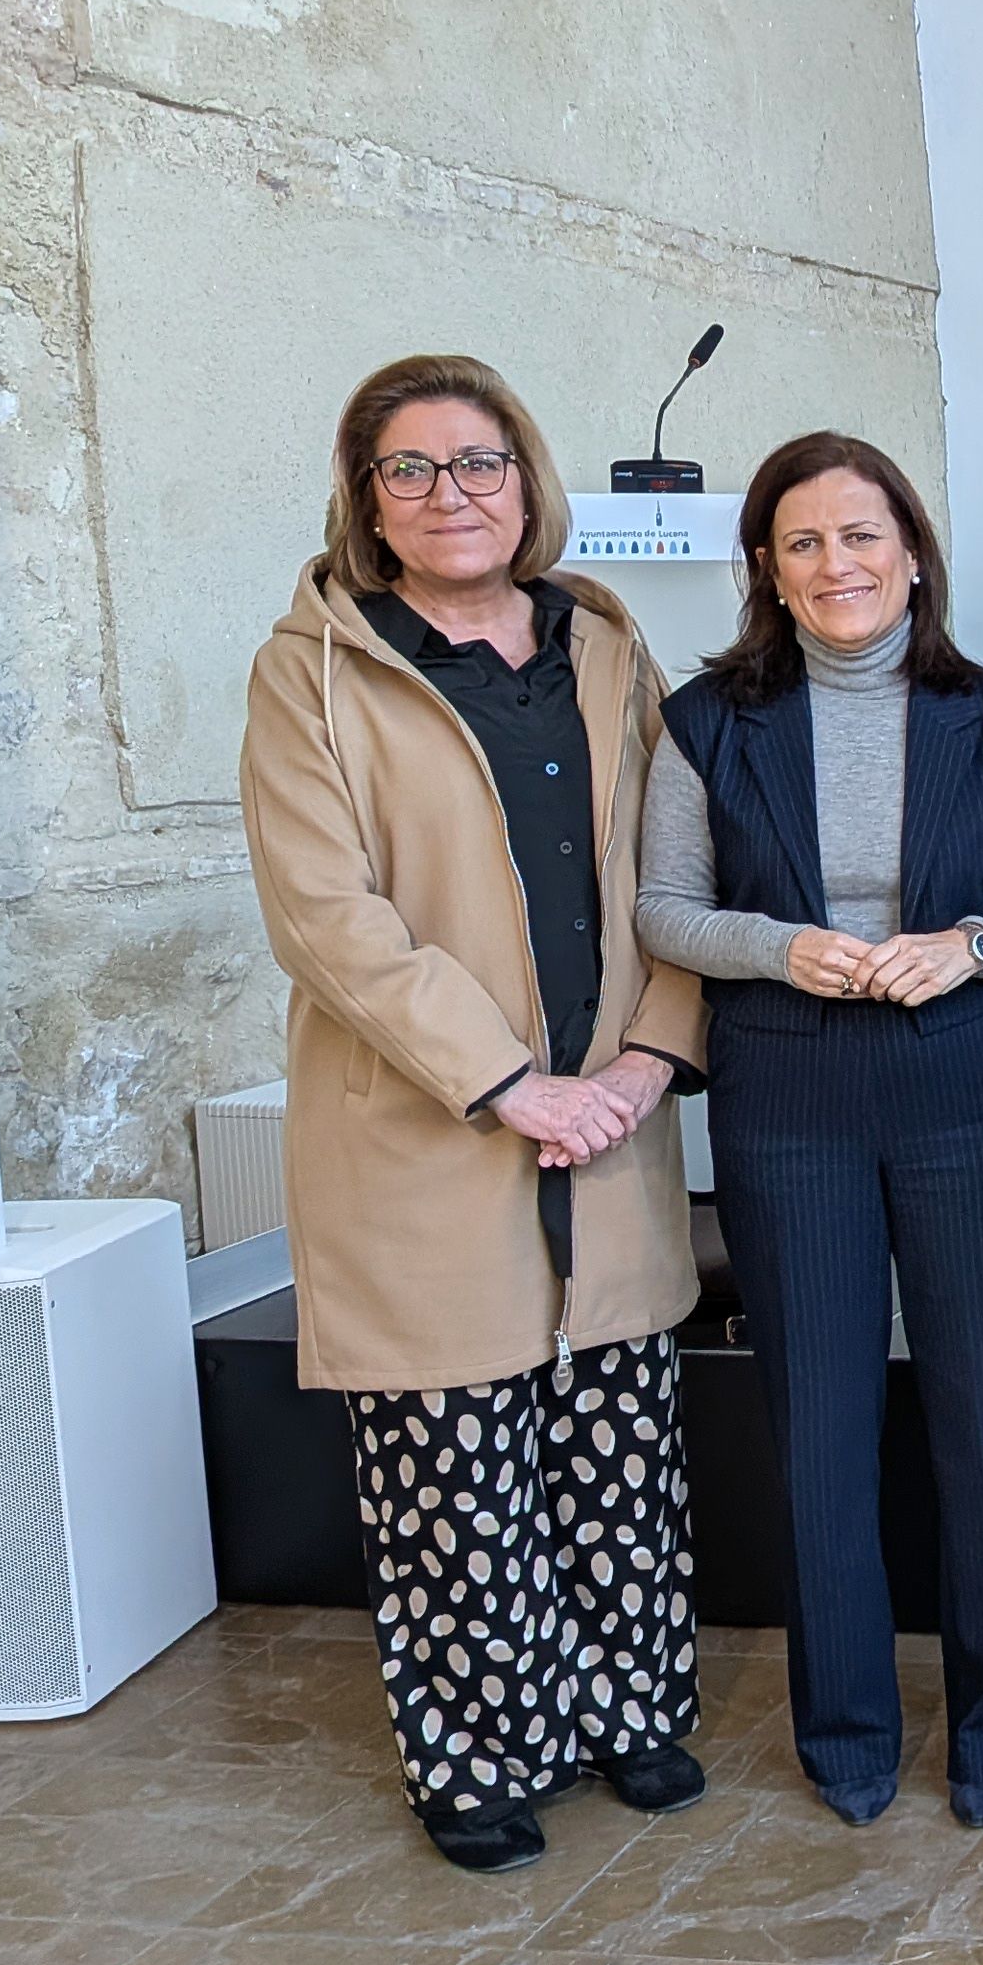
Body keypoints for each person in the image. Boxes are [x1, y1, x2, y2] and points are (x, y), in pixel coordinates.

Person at [240, 354, 709, 1874]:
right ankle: (482, 1753)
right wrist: (510, 1085)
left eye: (482, 463)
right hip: (432, 1116)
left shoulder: (605, 643)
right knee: (452, 1456)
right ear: (365, 498)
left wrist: (645, 1060)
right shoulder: (311, 668)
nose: (455, 496)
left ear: (529, 475)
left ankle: (633, 1714)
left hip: (615, 1101)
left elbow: (674, 880)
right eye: (414, 471)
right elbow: (327, 916)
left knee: (617, 1436)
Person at [638, 433, 983, 1830]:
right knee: (817, 1427)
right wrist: (778, 949)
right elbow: (665, 910)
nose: (839, 565)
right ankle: (845, 1725)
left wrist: (978, 947)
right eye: (805, 543)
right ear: (768, 567)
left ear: (911, 553)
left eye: (864, 537)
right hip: (791, 1099)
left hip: (967, 1085)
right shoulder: (708, 720)